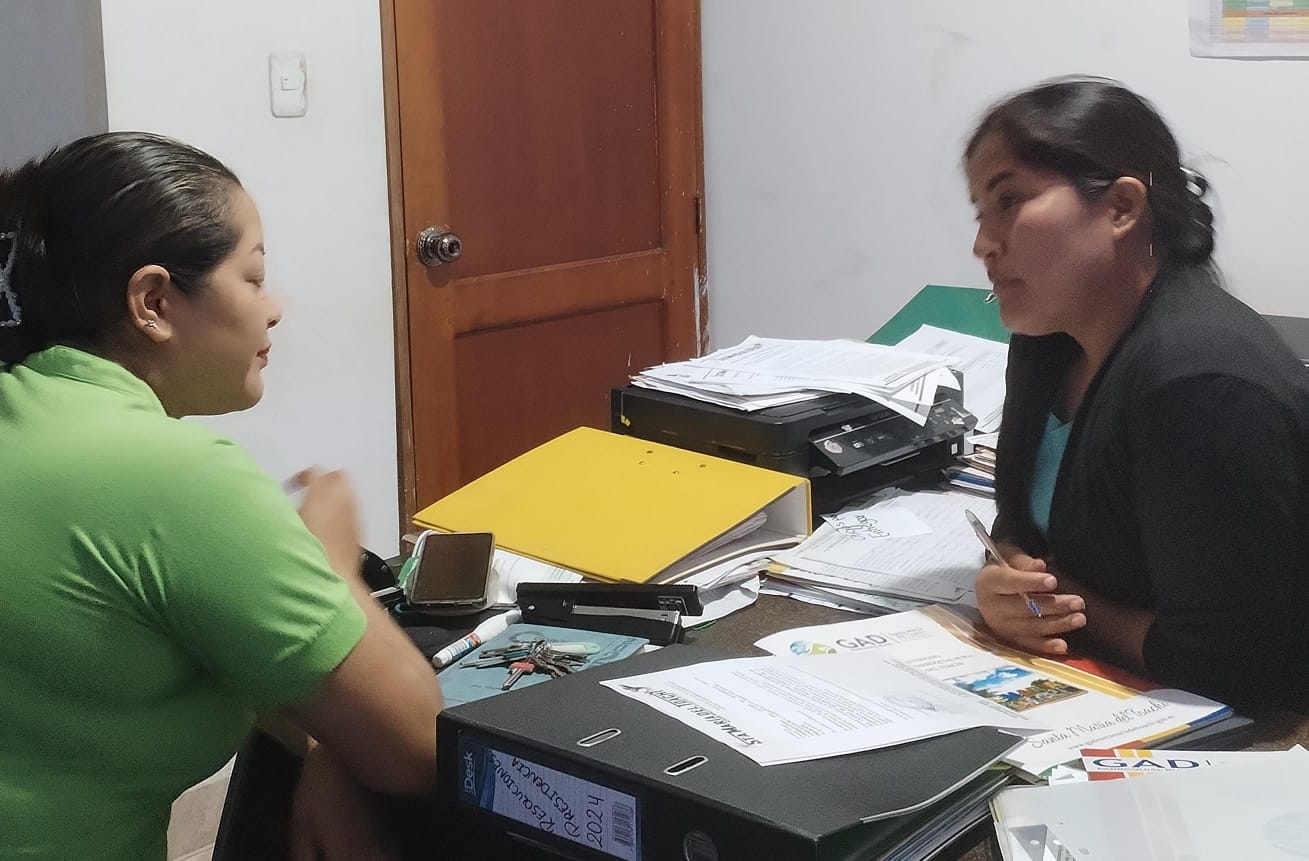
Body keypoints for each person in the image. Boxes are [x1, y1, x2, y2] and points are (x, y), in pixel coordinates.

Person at [0, 132, 442, 860]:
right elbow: (418, 745)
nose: (274, 307)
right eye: (253, 276)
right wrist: (331, 560)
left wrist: (326, 747)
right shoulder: (169, 478)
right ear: (153, 302)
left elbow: (176, 641)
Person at [965, 77, 1309, 711]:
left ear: (1121, 207)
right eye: (981, 212)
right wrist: (1004, 577)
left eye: (1009, 201)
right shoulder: (1048, 340)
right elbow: (1020, 524)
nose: (983, 243)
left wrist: (1061, 605)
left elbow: (1235, 665)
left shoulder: (1201, 387)